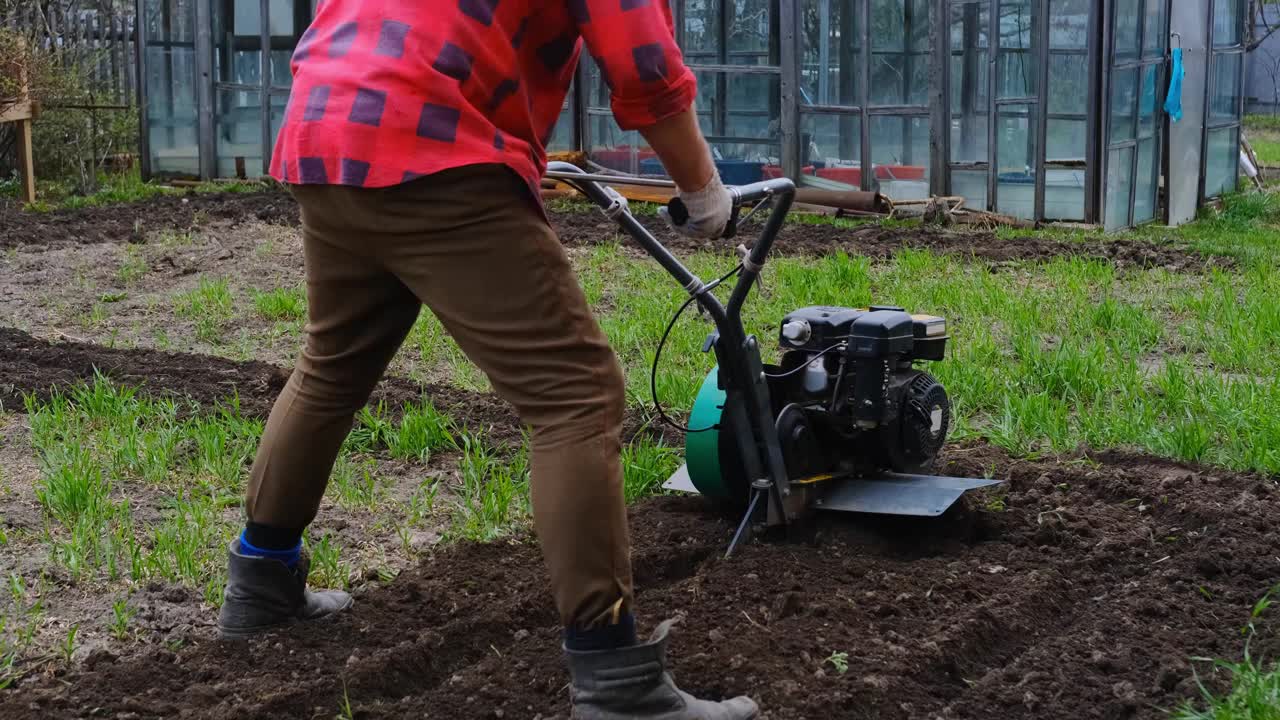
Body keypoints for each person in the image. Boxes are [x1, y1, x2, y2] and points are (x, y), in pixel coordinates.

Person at [214, 1, 757, 718]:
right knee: (576, 396)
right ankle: (617, 682)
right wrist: (703, 190)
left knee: (333, 362)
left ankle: (261, 579)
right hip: (433, 142)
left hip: (327, 129)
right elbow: (642, 63)